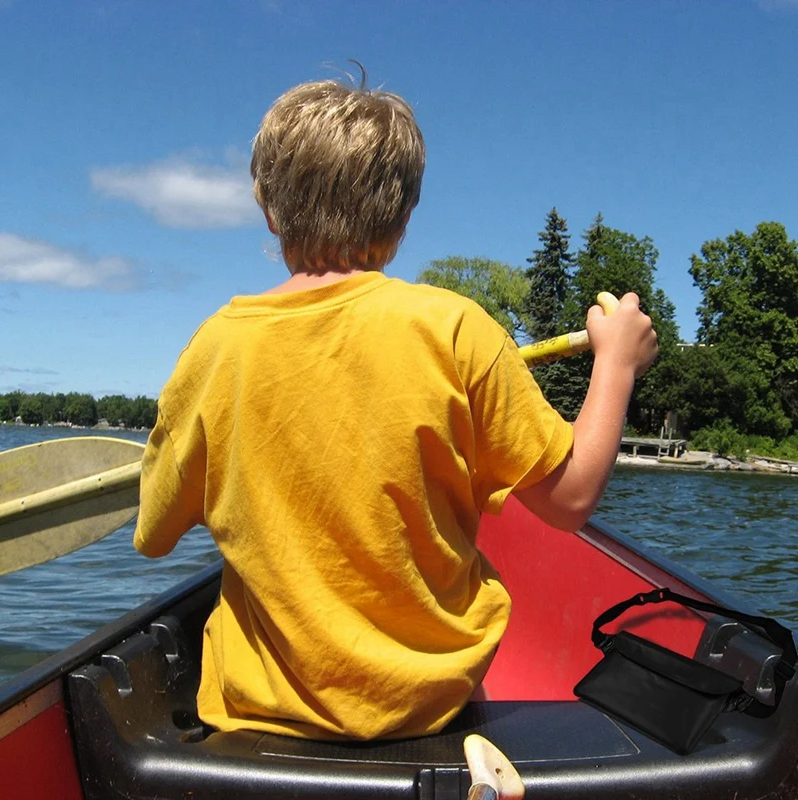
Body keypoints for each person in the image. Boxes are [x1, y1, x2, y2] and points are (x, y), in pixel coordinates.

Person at [133, 76, 658, 742]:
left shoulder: (215, 347)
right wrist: (615, 364)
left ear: (268, 209)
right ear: (404, 216)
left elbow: (153, 534)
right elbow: (571, 497)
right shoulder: (456, 330)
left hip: (260, 719)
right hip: (428, 711)